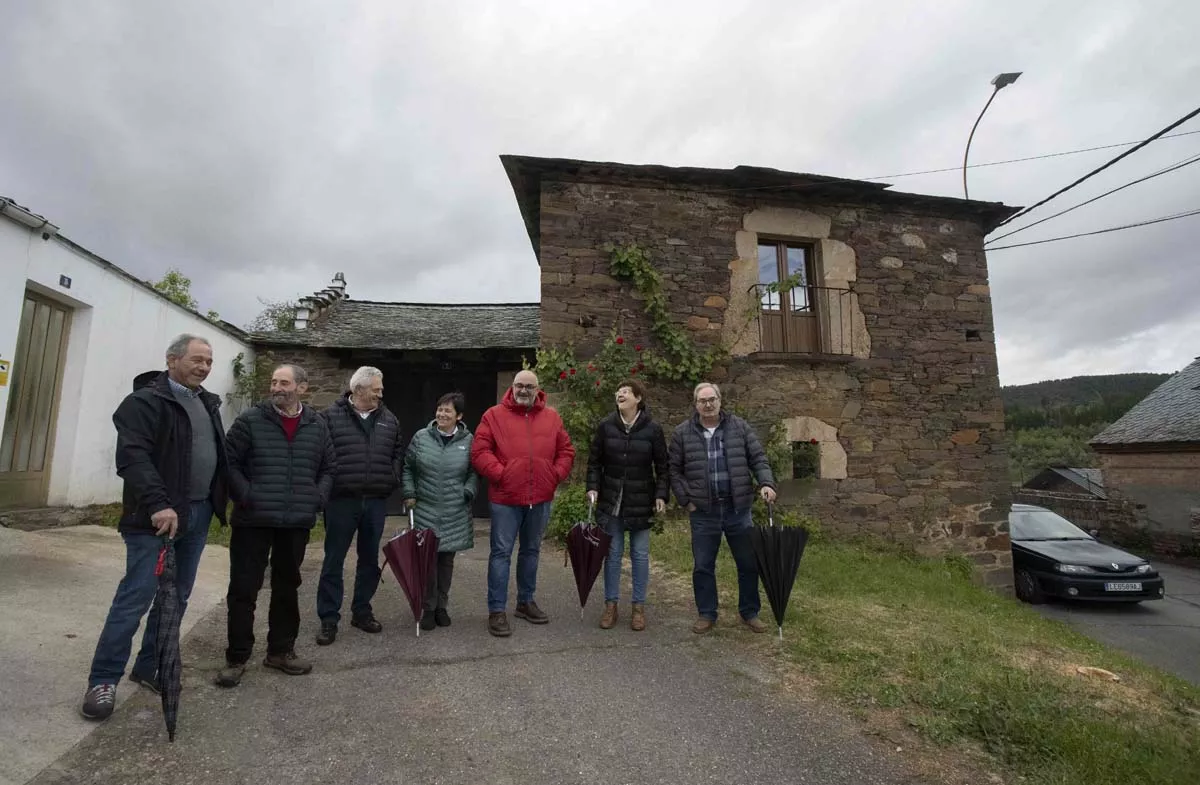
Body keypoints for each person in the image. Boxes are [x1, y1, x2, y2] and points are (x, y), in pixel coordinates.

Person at [81, 334, 229, 721]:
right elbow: (132, 459)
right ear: (171, 360)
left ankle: (150, 666)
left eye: (209, 361)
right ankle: (103, 680)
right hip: (155, 519)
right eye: (197, 359)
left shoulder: (206, 402)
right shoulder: (144, 402)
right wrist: (159, 504)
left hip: (196, 516)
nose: (204, 367)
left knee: (176, 598)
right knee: (136, 597)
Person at [216, 364, 335, 687]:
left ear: (303, 388)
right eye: (274, 382)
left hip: (295, 521)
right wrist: (246, 496)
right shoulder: (250, 421)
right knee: (244, 590)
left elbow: (328, 468)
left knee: (287, 587)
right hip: (253, 519)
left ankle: (280, 651)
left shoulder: (317, 425)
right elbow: (230, 463)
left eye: (284, 382)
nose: (277, 387)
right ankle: (237, 657)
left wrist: (317, 498)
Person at [471, 370, 574, 637]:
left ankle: (525, 602)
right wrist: (501, 475)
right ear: (512, 387)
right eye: (519, 385)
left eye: (529, 386)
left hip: (540, 497)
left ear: (538, 389)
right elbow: (480, 452)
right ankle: (496, 610)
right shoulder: (493, 415)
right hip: (505, 498)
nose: (523, 390)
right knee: (501, 554)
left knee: (531, 551)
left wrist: (554, 476)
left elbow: (566, 451)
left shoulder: (552, 417)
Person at [668, 381, 776, 635]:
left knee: (748, 563)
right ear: (695, 405)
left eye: (711, 400)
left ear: (719, 400)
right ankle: (707, 613)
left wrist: (766, 482)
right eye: (702, 401)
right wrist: (686, 500)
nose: (707, 405)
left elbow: (757, 458)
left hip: (737, 509)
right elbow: (674, 470)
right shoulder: (682, 433)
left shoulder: (739, 427)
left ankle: (749, 612)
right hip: (704, 512)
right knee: (703, 565)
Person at [315, 366, 404, 645]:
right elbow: (319, 458)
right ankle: (329, 618)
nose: (381, 393)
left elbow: (397, 453)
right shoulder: (328, 418)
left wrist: (392, 478)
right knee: (334, 560)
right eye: (376, 389)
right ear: (358, 390)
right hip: (341, 501)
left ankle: (362, 611)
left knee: (369, 560)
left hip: (376, 501)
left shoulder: (390, 420)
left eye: (381, 389)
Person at [586, 379, 668, 631]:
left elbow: (663, 468)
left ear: (638, 398)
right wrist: (592, 487)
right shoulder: (606, 426)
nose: (619, 394)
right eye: (618, 391)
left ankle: (638, 608)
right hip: (611, 503)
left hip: (641, 501)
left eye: (625, 392)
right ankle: (611, 605)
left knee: (640, 556)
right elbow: (594, 462)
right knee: (612, 556)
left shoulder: (652, 429)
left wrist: (662, 495)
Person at [402, 391, 478, 631]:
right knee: (427, 561)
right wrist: (409, 493)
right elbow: (407, 467)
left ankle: (442, 606)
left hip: (455, 509)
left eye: (448, 410)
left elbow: (475, 472)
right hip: (425, 507)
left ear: (459, 416)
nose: (442, 414)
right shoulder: (421, 437)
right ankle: (428, 607)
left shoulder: (469, 440)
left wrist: (468, 490)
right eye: (440, 409)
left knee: (446, 562)